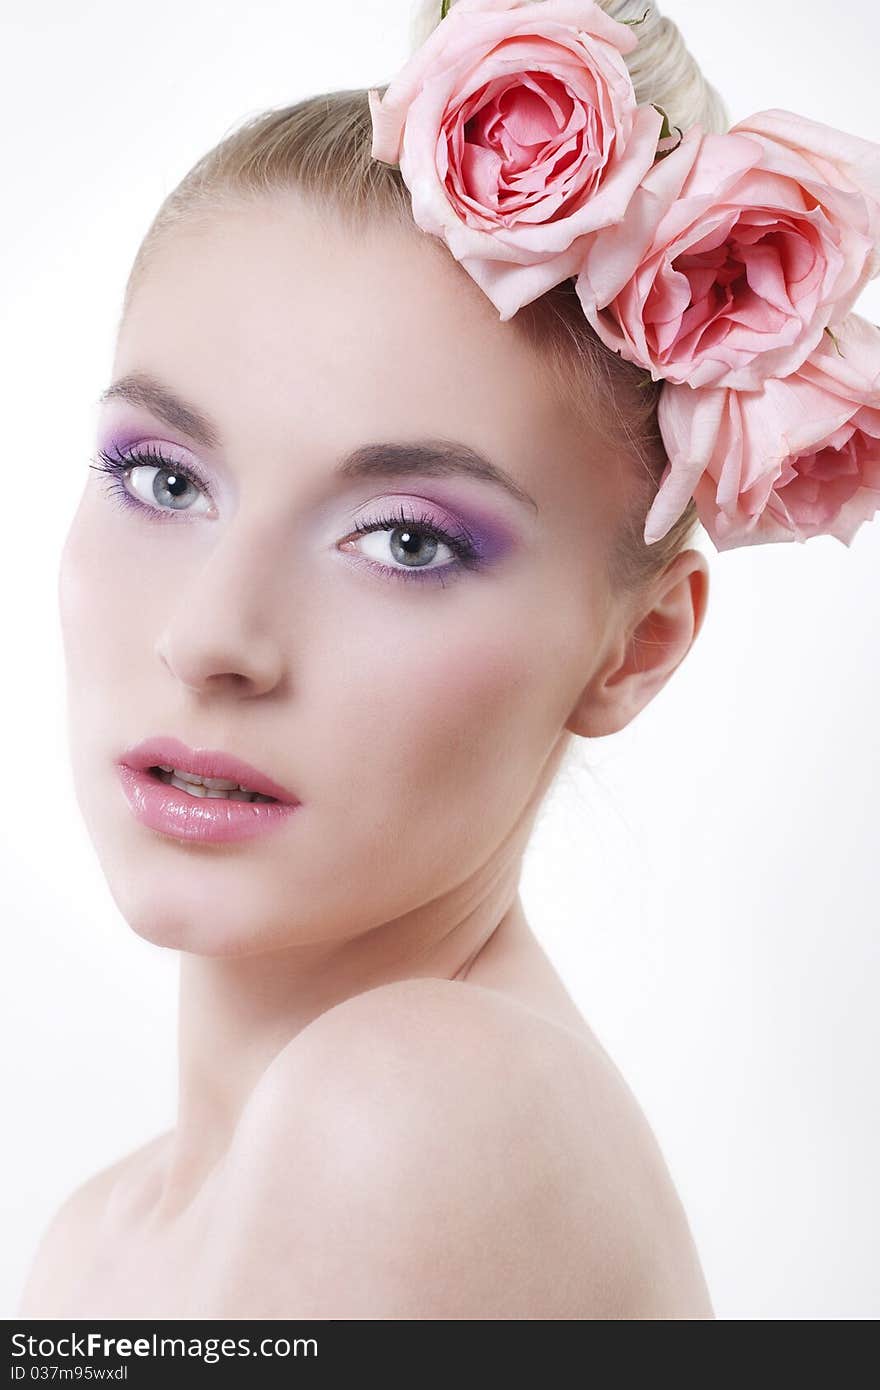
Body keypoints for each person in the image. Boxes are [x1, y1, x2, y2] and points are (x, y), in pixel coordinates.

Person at [16, 0, 879, 1320]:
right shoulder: (100, 1233)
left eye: (408, 539)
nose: (209, 636)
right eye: (161, 475)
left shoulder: (412, 1114)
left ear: (637, 647)